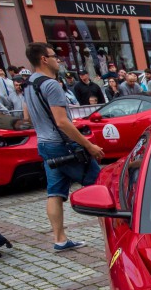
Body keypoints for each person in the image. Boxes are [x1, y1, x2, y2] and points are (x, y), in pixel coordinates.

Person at [21, 42, 103, 251]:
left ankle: (60, 239)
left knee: (54, 192)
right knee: (99, 184)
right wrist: (88, 145)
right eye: (53, 56)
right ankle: (111, 232)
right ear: (43, 59)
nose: (58, 60)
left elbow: (27, 117)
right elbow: (62, 122)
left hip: (45, 144)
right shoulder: (51, 85)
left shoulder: (28, 84)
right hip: (61, 145)